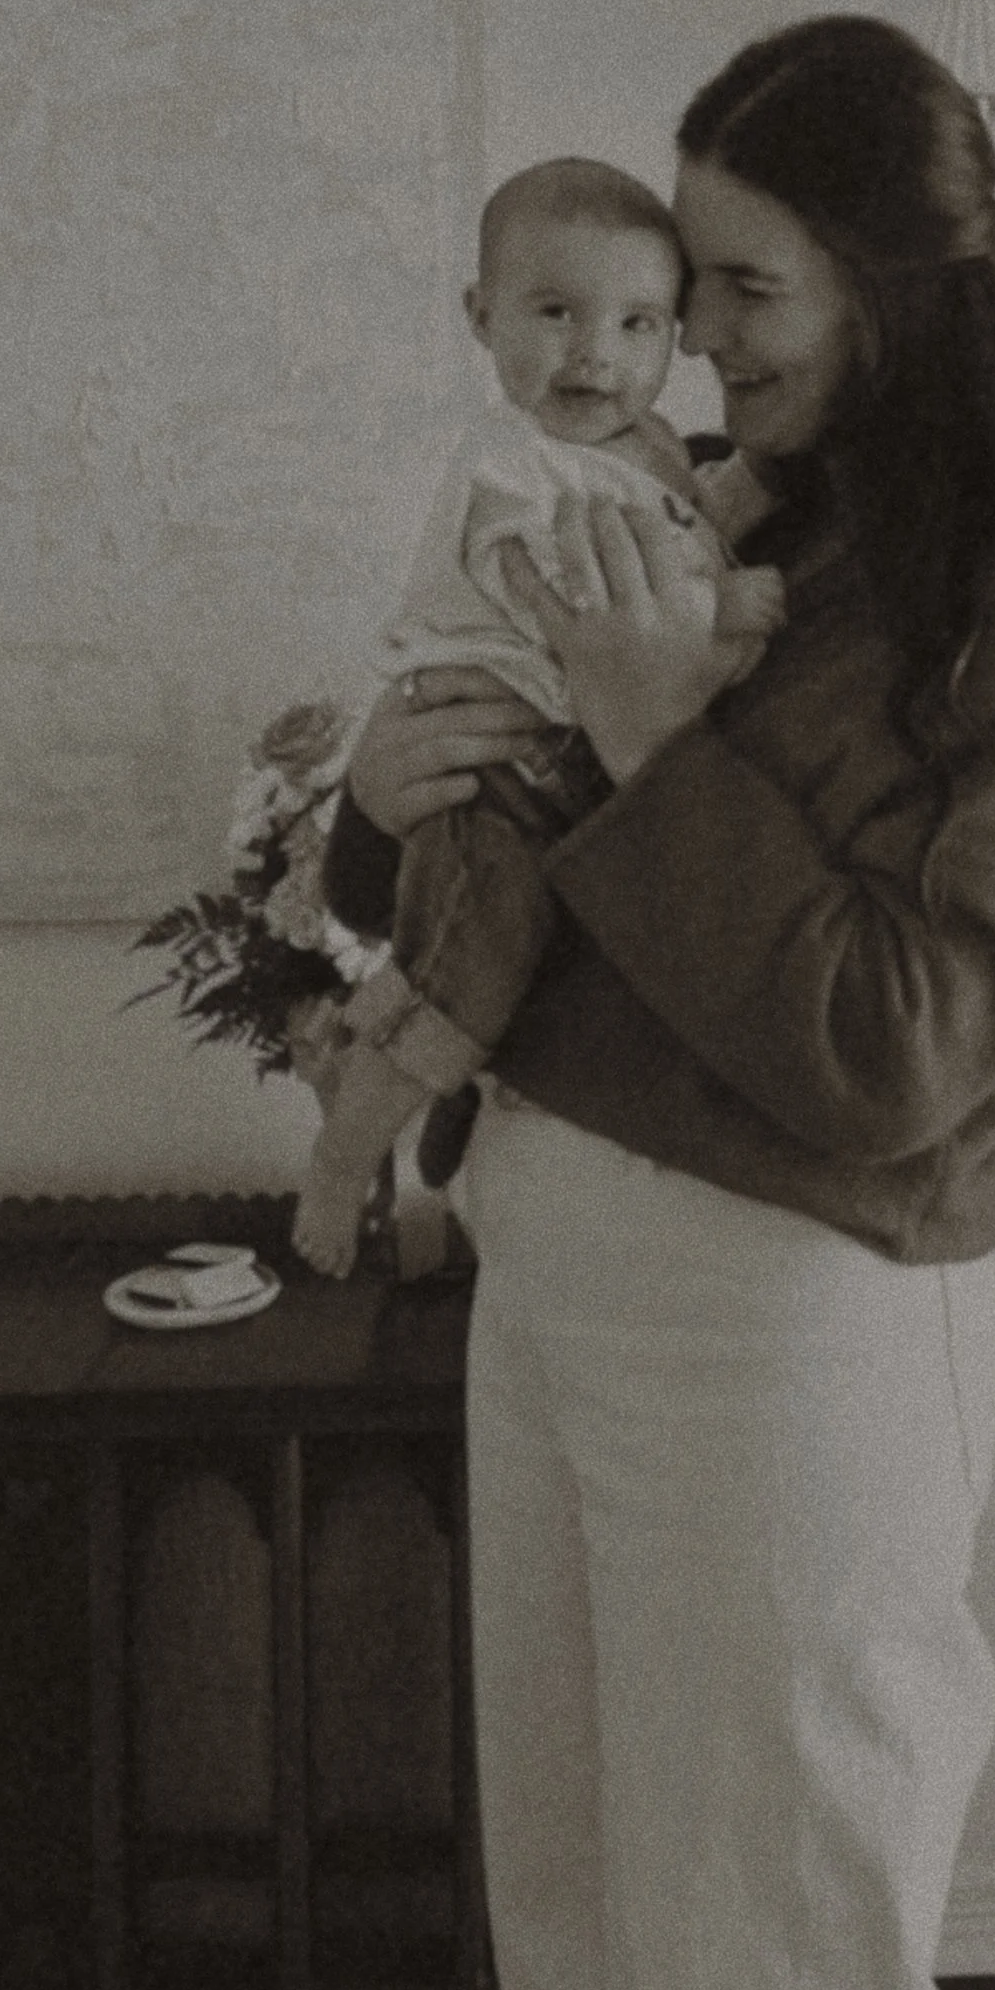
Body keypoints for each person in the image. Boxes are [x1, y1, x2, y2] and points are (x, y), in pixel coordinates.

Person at [321, 14, 995, 1990]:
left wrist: (649, 741)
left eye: (741, 289)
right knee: (595, 1950)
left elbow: (900, 1050)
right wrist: (372, 802)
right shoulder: (722, 525)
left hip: (781, 1334)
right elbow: (498, 883)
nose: (691, 347)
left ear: (891, 282)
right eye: (681, 285)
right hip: (554, 1273)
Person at [291, 154, 783, 1274]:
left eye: (637, 323)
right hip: (505, 776)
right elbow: (571, 608)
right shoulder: (515, 463)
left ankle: (427, 1094)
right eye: (554, 313)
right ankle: (342, 1155)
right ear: (481, 316)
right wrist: (725, 609)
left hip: (565, 777)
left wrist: (740, 510)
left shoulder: (645, 450)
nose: (594, 353)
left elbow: (696, 513)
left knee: (502, 971)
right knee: (470, 964)